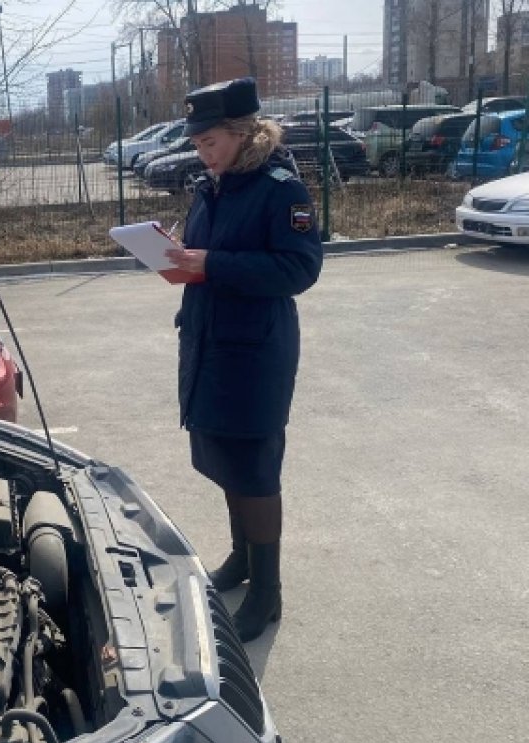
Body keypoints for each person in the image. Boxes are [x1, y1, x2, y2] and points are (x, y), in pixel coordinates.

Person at [165, 77, 322, 642]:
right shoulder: (213, 184)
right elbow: (205, 253)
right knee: (222, 455)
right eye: (198, 143)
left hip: (255, 350)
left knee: (255, 469)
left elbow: (299, 270)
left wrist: (211, 264)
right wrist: (173, 255)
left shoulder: (280, 188)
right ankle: (243, 559)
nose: (201, 151)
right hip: (208, 339)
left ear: (242, 133)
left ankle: (267, 593)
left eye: (210, 141)